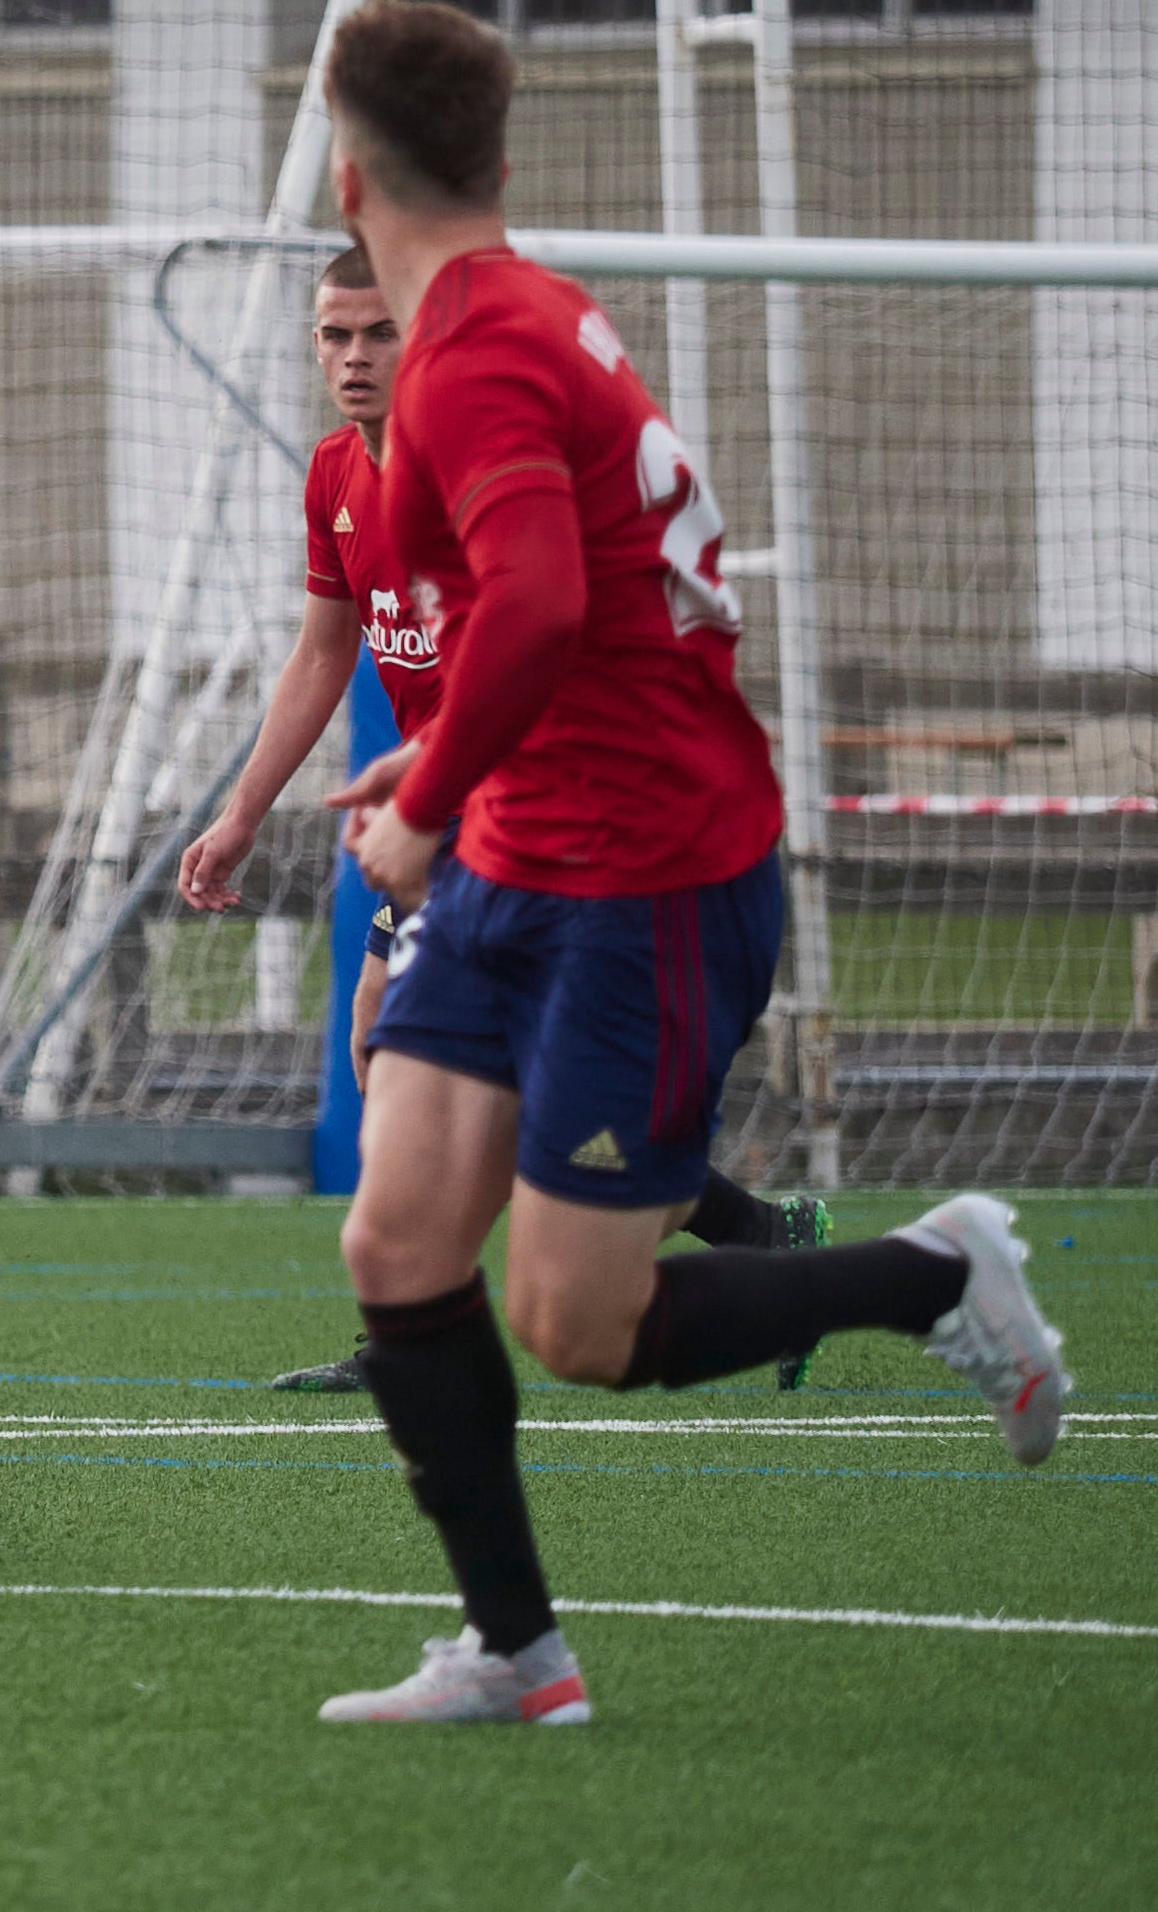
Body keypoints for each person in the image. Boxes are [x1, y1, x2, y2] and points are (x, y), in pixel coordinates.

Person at [309, 0, 1069, 1727]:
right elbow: (570, 617)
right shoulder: (512, 313)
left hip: (645, 873)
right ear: (491, 160)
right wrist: (436, 768)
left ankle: (934, 1271)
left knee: (574, 1322)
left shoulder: (480, 348)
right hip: (528, 847)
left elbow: (545, 603)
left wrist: (420, 804)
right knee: (396, 1242)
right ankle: (515, 1651)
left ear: (346, 175)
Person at [176, 247, 822, 1398]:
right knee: (464, 1076)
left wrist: (436, 789)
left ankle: (425, 1332)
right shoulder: (334, 475)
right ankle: (763, 1240)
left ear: (418, 340)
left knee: (417, 1050)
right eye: (335, 335)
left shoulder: (467, 472)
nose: (355, 356)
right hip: (451, 814)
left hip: (533, 813)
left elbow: (539, 645)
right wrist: (237, 817)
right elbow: (324, 655)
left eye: (379, 332)